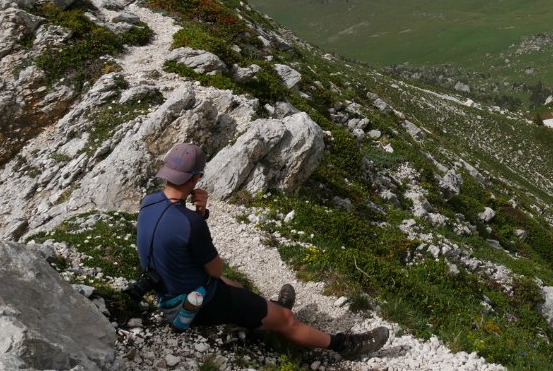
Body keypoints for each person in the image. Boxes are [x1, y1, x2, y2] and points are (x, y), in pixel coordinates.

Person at [136, 142, 388, 359]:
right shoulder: (190, 223)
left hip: (167, 291)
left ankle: (273, 308)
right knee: (285, 321)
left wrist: (198, 216)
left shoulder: (149, 202)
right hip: (196, 303)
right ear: (195, 178)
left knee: (235, 286)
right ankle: (343, 345)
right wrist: (199, 219)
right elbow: (215, 269)